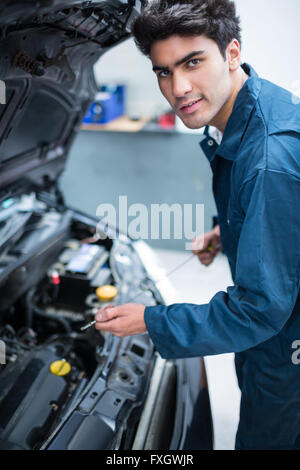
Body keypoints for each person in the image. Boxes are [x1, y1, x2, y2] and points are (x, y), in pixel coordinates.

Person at [94, 0, 300, 450]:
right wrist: (228, 231)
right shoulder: (258, 105)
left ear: (231, 52)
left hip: (289, 350)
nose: (179, 87)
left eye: (192, 62)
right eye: (164, 72)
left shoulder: (269, 159)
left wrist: (153, 320)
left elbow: (261, 310)